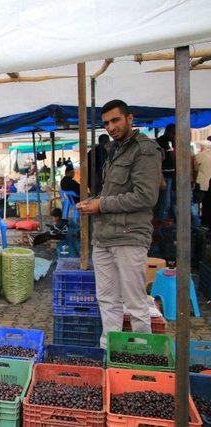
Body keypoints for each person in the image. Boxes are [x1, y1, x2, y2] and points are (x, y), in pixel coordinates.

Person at [77, 99, 162, 348]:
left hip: (129, 236)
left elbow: (146, 196)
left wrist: (100, 205)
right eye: (106, 123)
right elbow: (114, 192)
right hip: (104, 237)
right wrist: (94, 201)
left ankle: (142, 355)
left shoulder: (145, 149)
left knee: (135, 302)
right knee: (107, 299)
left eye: (115, 120)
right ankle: (109, 350)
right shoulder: (115, 150)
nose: (111, 127)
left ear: (129, 118)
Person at [155, 124, 176, 219]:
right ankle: (160, 222)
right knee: (164, 202)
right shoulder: (160, 142)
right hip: (164, 175)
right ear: (167, 131)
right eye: (173, 133)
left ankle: (169, 221)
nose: (174, 135)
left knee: (171, 201)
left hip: (173, 175)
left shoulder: (173, 142)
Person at [196, 137, 211, 226]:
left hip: (204, 187)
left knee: (205, 208)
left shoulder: (202, 155)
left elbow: (194, 166)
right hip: (206, 186)